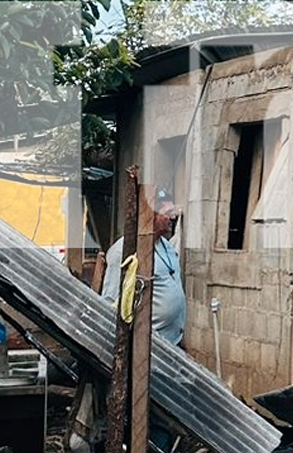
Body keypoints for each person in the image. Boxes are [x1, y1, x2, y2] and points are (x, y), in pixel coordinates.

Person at [101, 187, 185, 451]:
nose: (172, 218)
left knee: (164, 413)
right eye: (165, 213)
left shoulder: (168, 249)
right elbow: (109, 304)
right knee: (146, 412)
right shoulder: (126, 252)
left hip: (170, 348)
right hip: (144, 352)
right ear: (147, 215)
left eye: (173, 213)